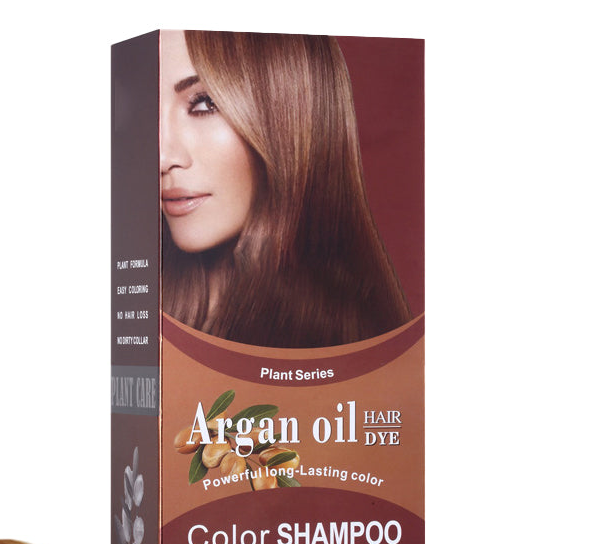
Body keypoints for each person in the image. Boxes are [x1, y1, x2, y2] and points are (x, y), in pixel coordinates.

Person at [160, 29, 411, 348]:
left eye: (205, 103)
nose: (163, 157)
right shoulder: (145, 311)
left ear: (291, 114)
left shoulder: (352, 349)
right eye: (147, 112)